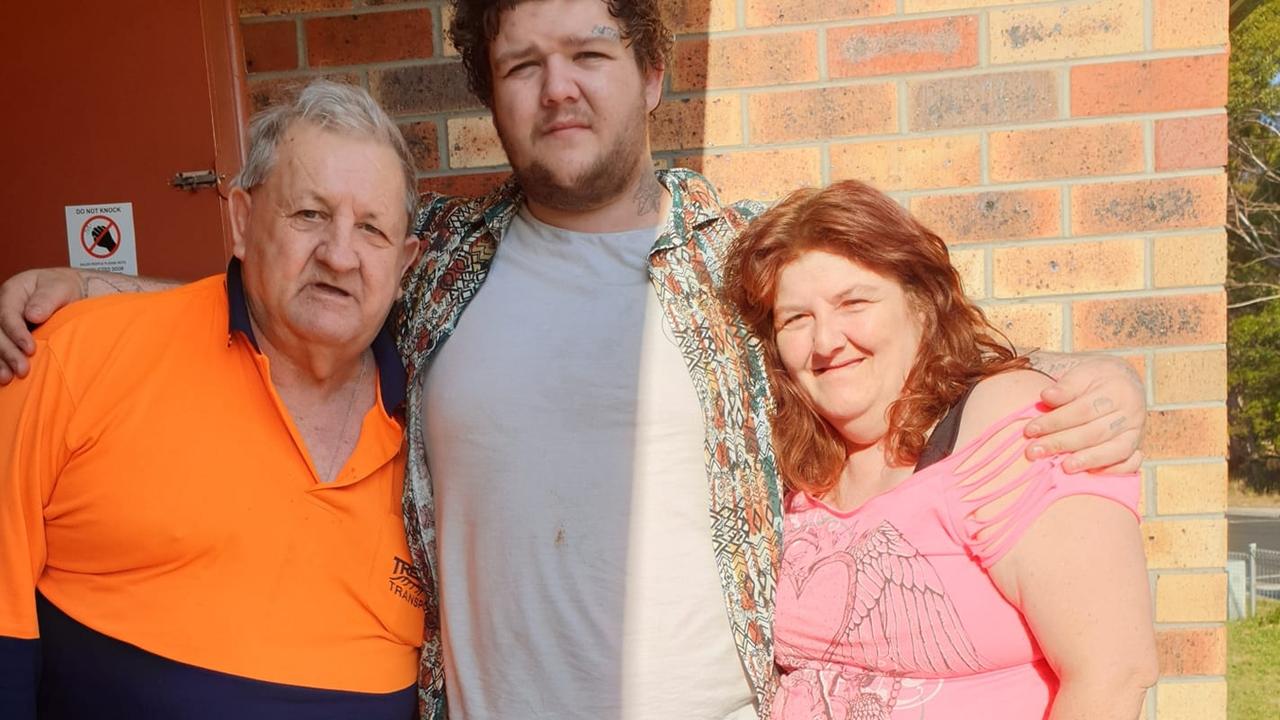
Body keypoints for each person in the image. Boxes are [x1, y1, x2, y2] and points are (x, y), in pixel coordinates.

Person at [0, 2, 1149, 718]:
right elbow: (306, 288)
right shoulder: (435, 266)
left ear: (649, 74)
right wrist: (92, 292)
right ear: (490, 98)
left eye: (589, 52)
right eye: (521, 64)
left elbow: (901, 344)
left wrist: (1089, 379)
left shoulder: (745, 263)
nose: (557, 87)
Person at [0, 81, 424, 719]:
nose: (339, 255)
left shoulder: (436, 431)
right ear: (243, 220)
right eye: (309, 214)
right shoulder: (72, 358)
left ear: (405, 265)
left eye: (371, 229)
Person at [722, 180, 1157, 720]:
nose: (826, 340)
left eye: (853, 302)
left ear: (921, 306)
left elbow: (1112, 676)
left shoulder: (1007, 426)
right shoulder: (792, 468)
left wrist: (1116, 377)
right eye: (796, 319)